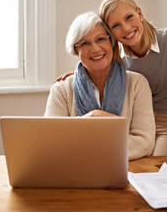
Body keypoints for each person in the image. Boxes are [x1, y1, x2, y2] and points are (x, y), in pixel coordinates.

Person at [58, 0, 167, 166]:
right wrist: (78, 72)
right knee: (131, 168)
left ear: (140, 13)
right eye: (116, 25)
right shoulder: (115, 55)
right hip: (136, 121)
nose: (126, 28)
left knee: (160, 169)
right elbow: (96, 63)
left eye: (129, 17)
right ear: (111, 33)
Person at [45, 11, 155, 161]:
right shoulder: (61, 90)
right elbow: (50, 140)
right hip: (74, 170)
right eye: (85, 43)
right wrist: (90, 119)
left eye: (101, 39)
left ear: (112, 42)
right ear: (76, 51)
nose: (95, 49)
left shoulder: (137, 84)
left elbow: (144, 142)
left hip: (127, 171)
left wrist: (85, 144)